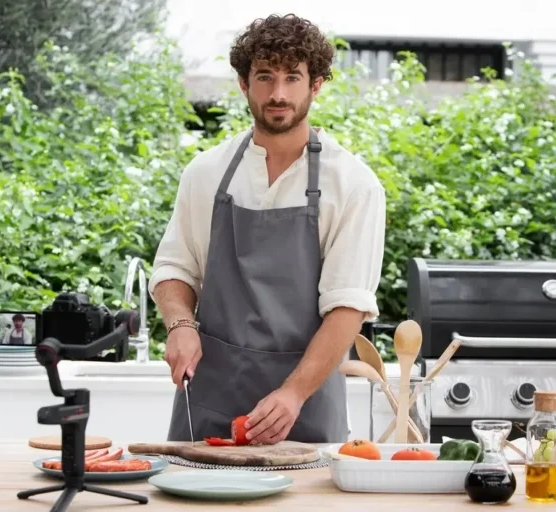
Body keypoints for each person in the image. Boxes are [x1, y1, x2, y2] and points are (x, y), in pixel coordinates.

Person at [149, 13, 386, 445]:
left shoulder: (353, 184)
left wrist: (293, 394)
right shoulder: (205, 173)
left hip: (305, 409)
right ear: (243, 83)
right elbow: (174, 268)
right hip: (209, 401)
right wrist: (180, 324)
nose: (278, 94)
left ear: (315, 85)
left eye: (292, 77)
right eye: (264, 76)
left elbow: (347, 308)